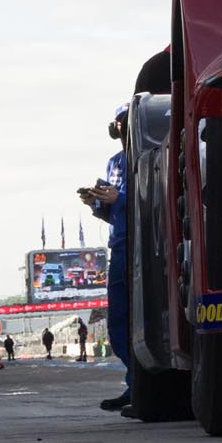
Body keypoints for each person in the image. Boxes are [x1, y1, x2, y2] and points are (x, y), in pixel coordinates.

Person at [82, 110, 129, 413]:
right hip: (120, 243)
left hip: (144, 242)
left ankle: (143, 386)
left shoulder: (154, 153)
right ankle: (134, 383)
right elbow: (112, 209)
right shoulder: (115, 162)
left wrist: (120, 199)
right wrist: (96, 203)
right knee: (118, 324)